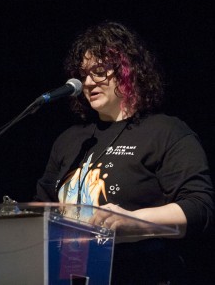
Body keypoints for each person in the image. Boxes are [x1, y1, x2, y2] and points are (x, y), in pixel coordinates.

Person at [35, 21, 214, 284]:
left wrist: (132, 221)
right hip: (68, 274)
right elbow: (41, 209)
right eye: (83, 74)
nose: (87, 82)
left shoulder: (165, 131)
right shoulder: (70, 140)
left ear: (127, 70)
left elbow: (200, 208)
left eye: (98, 71)